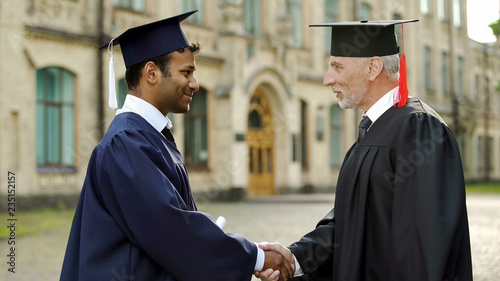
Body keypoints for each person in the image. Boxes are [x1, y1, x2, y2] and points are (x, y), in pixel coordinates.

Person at [60, 11, 293, 281]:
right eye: (187, 72)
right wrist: (255, 256)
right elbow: (171, 231)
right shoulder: (125, 144)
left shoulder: (148, 136)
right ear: (151, 73)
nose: (194, 83)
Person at [256, 19, 473, 281]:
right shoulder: (374, 129)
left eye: (336, 66)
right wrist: (297, 258)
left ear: (372, 67)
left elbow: (423, 250)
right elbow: (350, 225)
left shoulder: (419, 129)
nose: (327, 79)